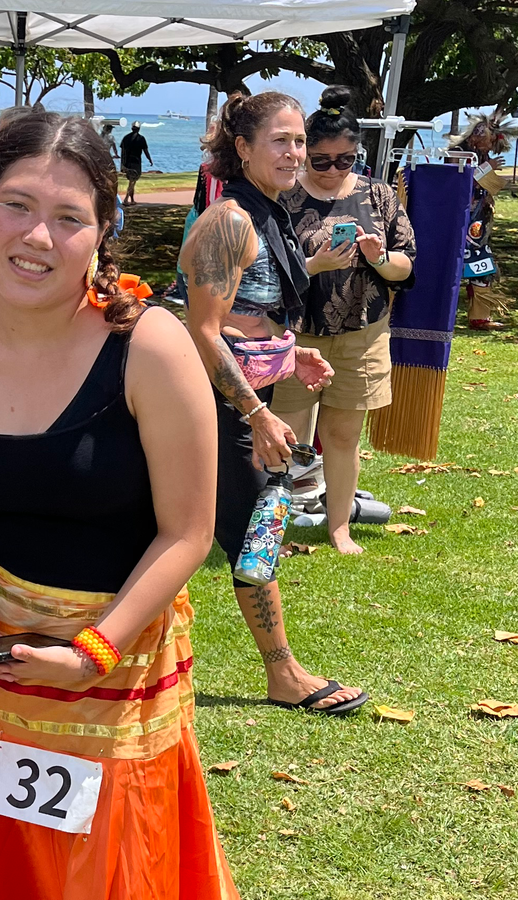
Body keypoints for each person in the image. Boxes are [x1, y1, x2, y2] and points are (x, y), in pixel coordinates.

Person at [0, 109, 239, 899]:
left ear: (101, 232)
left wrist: (93, 651)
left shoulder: (148, 346)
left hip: (119, 672)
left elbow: (188, 533)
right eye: (16, 205)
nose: (37, 237)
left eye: (69, 217)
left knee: (110, 869)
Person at [180, 91, 369, 715]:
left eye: (299, 141)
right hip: (205, 406)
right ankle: (283, 674)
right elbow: (203, 330)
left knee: (253, 528)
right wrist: (257, 414)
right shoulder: (231, 221)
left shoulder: (268, 214)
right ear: (243, 148)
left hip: (236, 399)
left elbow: (252, 317)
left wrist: (291, 355)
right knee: (256, 530)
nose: (295, 153)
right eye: (280, 141)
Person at [276, 87, 416, 554]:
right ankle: (270, 529)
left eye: (345, 160)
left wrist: (379, 259)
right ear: (304, 153)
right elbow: (263, 271)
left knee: (342, 435)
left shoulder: (378, 195)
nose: (334, 169)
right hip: (296, 334)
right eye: (321, 160)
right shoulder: (283, 198)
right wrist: (314, 263)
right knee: (286, 436)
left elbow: (407, 267)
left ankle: (339, 528)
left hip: (362, 332)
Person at [447, 110, 517, 330]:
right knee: (449, 267)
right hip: (456, 220)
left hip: (476, 222)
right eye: (490, 142)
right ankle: (439, 314)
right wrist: (488, 168)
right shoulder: (458, 153)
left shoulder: (480, 155)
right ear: (477, 135)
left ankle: (479, 318)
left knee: (482, 267)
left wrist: (488, 192)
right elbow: (458, 183)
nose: (490, 148)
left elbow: (477, 184)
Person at [119, 121, 152, 205]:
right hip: (136, 163)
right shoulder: (141, 138)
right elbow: (145, 151)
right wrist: (149, 159)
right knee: (132, 182)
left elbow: (122, 152)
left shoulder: (126, 138)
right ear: (139, 129)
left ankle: (132, 199)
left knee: (132, 181)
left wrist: (122, 164)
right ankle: (126, 199)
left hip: (127, 162)